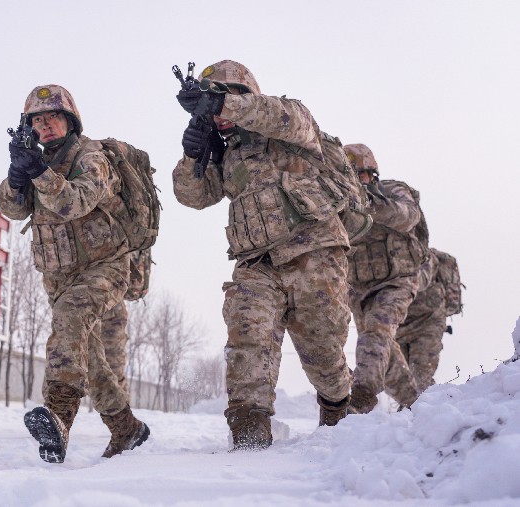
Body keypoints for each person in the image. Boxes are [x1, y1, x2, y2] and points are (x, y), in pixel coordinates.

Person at [173, 60, 352, 450]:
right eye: (210, 99)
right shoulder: (227, 155)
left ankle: (339, 409)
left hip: (314, 252)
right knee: (246, 338)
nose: (218, 108)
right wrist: (193, 156)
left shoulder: (287, 123)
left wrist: (218, 103)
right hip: (257, 264)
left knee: (324, 355)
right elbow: (193, 196)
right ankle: (249, 435)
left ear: (247, 95)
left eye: (226, 95)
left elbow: (286, 116)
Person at [0, 84, 149, 463]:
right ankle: (126, 428)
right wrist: (17, 176)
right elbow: (12, 210)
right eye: (37, 120)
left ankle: (59, 417)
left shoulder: (91, 156)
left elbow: (75, 201)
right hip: (59, 277)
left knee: (70, 320)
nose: (45, 125)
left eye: (53, 117)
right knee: (89, 358)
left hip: (105, 266)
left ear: (70, 121)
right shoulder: (37, 160)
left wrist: (38, 171)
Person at [344, 143, 427, 413]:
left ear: (372, 174)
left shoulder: (392, 191)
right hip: (360, 290)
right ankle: (416, 407)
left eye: (360, 175)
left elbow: (408, 216)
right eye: (349, 175)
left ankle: (361, 398)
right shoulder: (340, 202)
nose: (356, 181)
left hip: (397, 281)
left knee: (376, 333)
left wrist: (369, 204)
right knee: (383, 351)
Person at [388, 248, 458, 393]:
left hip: (428, 324)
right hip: (399, 327)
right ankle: (428, 404)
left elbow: (420, 281)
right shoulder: (389, 255)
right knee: (404, 384)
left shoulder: (426, 257)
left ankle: (428, 405)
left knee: (420, 380)